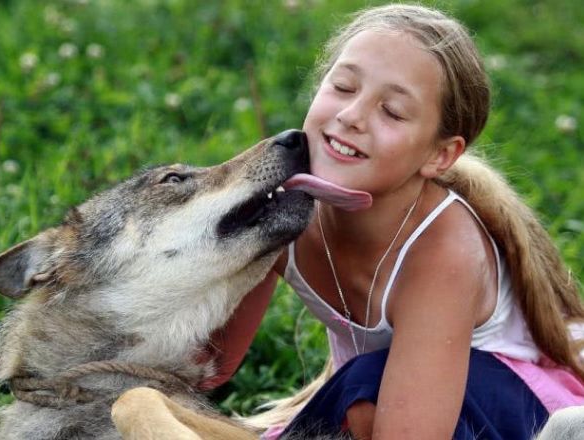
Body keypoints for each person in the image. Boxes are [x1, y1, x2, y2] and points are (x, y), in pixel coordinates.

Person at [198, 4, 584, 439]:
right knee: (360, 396)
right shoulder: (286, 204)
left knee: (365, 393)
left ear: (440, 156)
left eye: (393, 112)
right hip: (391, 404)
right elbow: (208, 366)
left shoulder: (443, 252)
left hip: (521, 411)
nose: (352, 116)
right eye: (343, 87)